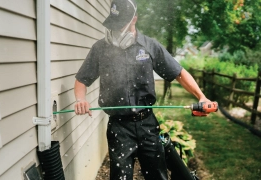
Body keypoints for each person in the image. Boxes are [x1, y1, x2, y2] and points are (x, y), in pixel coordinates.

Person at [74, 0, 210, 179]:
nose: (116, 29)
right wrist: (80, 99)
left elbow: (179, 73)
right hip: (119, 127)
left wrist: (201, 96)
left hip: (147, 124)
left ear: (134, 19)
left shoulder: (149, 46)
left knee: (157, 175)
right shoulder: (100, 48)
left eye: (121, 24)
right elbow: (81, 80)